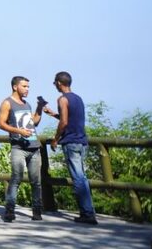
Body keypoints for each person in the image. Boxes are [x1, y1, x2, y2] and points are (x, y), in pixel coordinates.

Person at [43, 71, 97, 225]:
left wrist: (55, 139)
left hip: (71, 142)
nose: (55, 86)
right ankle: (89, 211)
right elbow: (71, 118)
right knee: (83, 177)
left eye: (55, 83)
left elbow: (65, 122)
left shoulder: (62, 99)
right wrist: (53, 114)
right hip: (82, 141)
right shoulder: (78, 98)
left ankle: (87, 214)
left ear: (59, 83)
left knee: (78, 178)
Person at [0, 75, 44, 222]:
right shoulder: (7, 103)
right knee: (16, 178)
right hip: (18, 147)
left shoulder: (27, 104)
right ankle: (10, 210)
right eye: (24, 86)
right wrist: (19, 132)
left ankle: (37, 211)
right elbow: (1, 124)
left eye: (28, 86)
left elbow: (34, 122)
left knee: (36, 181)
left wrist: (40, 107)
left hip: (34, 146)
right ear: (15, 86)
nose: (27, 89)